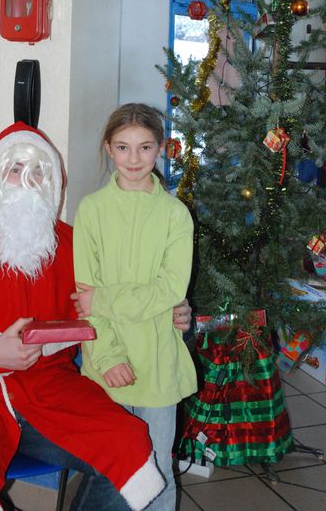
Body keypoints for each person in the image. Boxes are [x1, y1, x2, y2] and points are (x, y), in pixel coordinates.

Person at [0, 121, 192, 511]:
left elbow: (110, 296)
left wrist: (167, 310)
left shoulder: (69, 244)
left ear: (55, 183)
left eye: (39, 172)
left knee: (130, 445)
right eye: (15, 170)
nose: (26, 182)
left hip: (49, 392)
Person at [71, 104, 198, 511]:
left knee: (157, 469)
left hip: (158, 362)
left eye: (145, 148)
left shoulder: (175, 215)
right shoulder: (91, 210)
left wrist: (104, 299)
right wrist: (107, 355)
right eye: (123, 148)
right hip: (104, 362)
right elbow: (83, 293)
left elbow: (169, 289)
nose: (134, 159)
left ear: (160, 149)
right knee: (111, 472)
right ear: (109, 148)